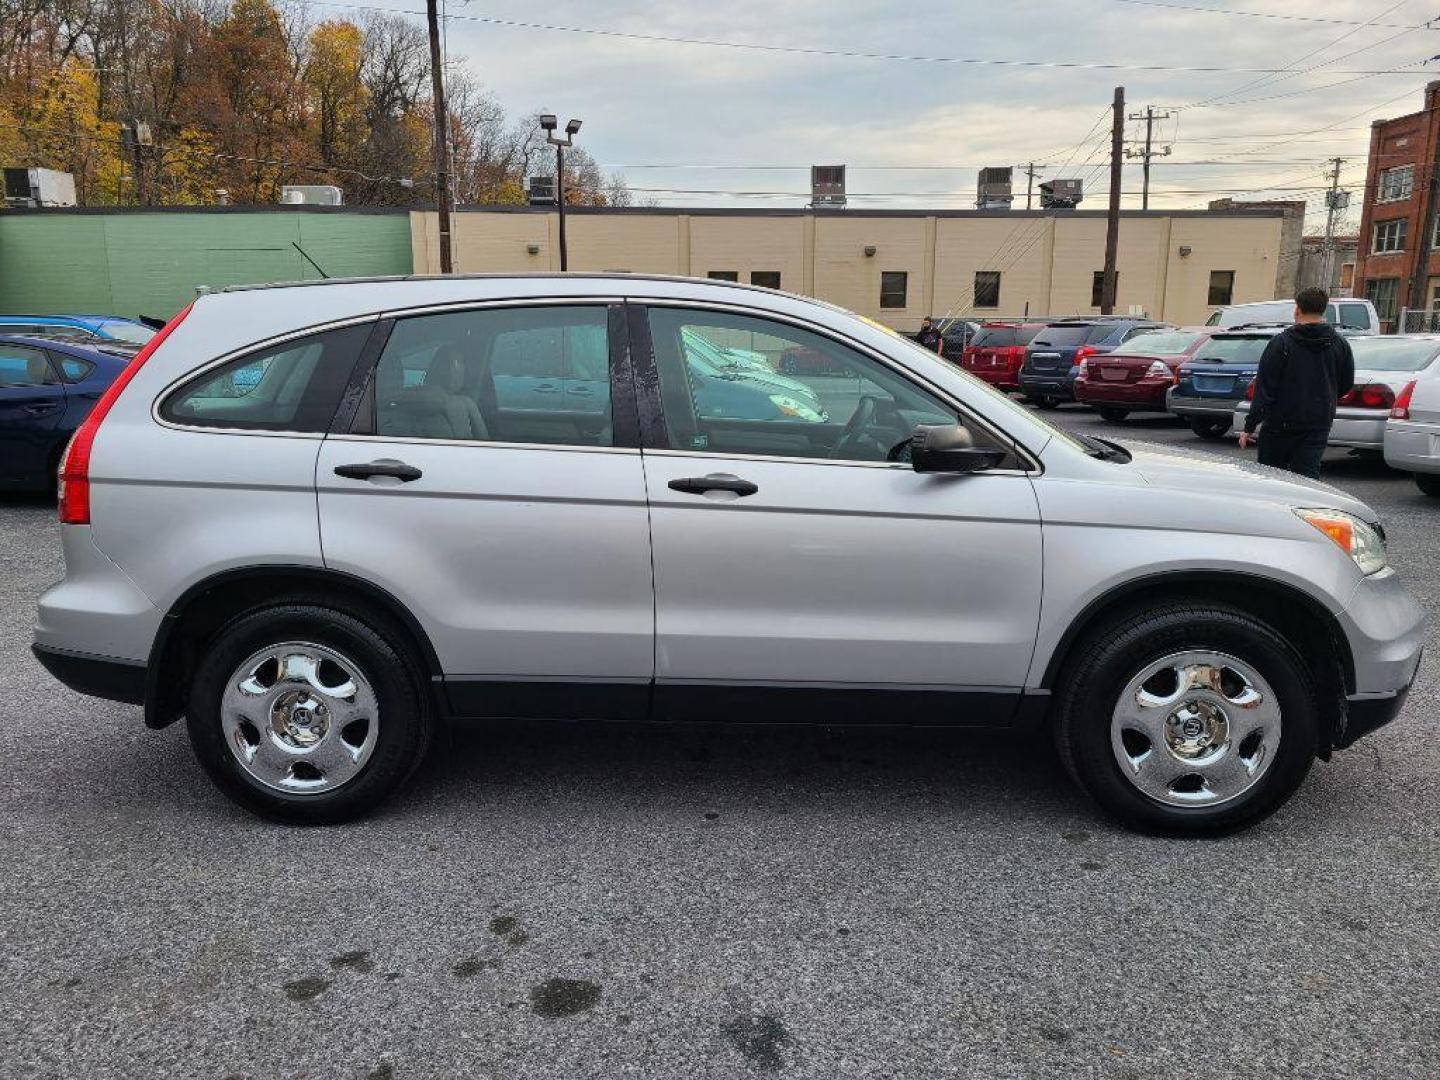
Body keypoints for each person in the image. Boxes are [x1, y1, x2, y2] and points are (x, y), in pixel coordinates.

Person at [1237, 286, 1354, 479]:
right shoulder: (1339, 344)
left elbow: (1265, 388)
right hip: (1318, 422)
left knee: (1272, 477)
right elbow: (1345, 382)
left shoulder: (1281, 343)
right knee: (1307, 478)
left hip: (1280, 423)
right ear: (1323, 310)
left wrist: (1250, 426)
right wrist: (1326, 396)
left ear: (1297, 309)